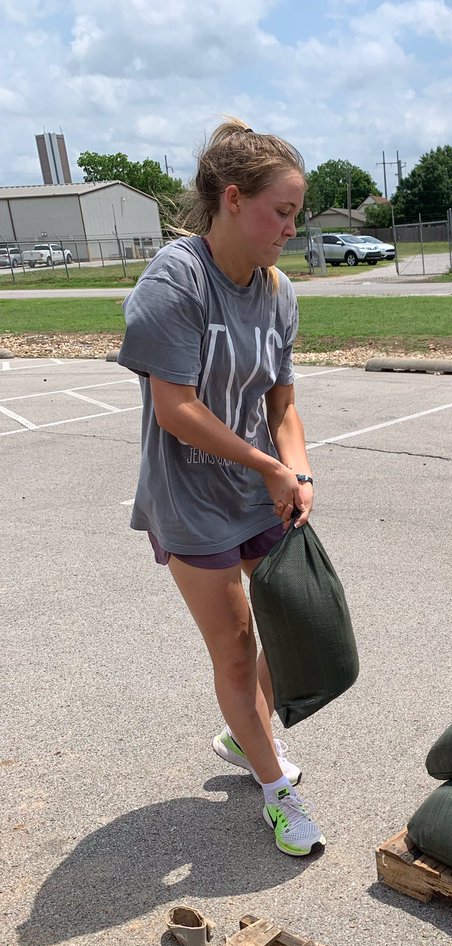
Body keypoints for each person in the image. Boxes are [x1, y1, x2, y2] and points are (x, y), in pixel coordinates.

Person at [118, 118, 324, 857]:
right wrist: (268, 467)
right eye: (283, 212)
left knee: (301, 627)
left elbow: (283, 404)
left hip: (258, 487)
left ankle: (246, 737)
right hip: (191, 499)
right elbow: (175, 410)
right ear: (233, 200)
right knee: (235, 650)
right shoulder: (175, 281)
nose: (291, 230)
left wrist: (294, 469)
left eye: (297, 215)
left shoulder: (277, 292)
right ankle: (279, 793)